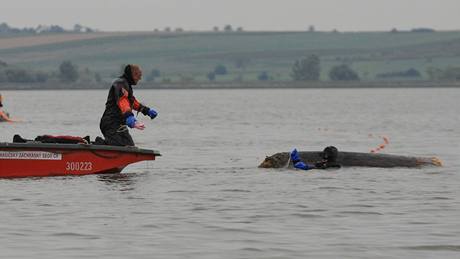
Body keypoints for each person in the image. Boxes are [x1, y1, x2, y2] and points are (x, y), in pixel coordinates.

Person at [99, 64, 158, 146]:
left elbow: (133, 102)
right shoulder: (120, 84)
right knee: (120, 146)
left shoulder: (127, 85)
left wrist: (147, 110)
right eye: (139, 75)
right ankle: (94, 145)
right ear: (133, 74)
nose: (140, 78)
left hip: (119, 124)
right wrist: (129, 117)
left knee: (129, 146)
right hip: (110, 123)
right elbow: (123, 101)